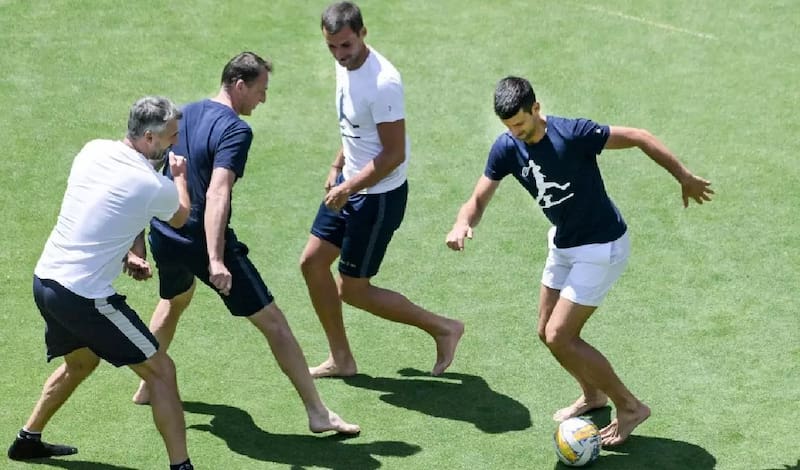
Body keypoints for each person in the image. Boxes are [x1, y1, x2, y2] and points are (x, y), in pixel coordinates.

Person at [446, 76, 714, 446]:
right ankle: (593, 395)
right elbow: (478, 198)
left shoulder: (573, 134)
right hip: (564, 243)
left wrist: (683, 175)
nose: (516, 133)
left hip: (602, 246)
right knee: (546, 332)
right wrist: (463, 222)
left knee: (560, 335)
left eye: (520, 124)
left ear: (536, 109)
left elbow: (639, 136)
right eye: (509, 127)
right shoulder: (507, 147)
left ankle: (631, 407)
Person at [129, 52, 360, 435]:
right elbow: (218, 193)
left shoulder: (183, 114)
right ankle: (318, 413)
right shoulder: (236, 130)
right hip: (201, 239)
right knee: (274, 323)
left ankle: (146, 384)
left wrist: (139, 241)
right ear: (239, 85)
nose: (263, 100)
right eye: (260, 90)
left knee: (175, 299)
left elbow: (149, 173)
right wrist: (217, 258)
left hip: (165, 232)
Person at [8, 97, 195, 469]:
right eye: (171, 137)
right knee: (161, 370)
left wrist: (129, 253)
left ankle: (27, 441)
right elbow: (179, 217)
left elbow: (106, 209)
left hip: (46, 280)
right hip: (83, 297)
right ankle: (182, 466)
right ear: (148, 138)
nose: (175, 143)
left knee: (80, 363)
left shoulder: (93, 150)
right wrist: (179, 178)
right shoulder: (153, 183)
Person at [299, 1, 464, 379]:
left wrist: (348, 187)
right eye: (332, 47)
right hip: (351, 184)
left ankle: (444, 328)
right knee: (311, 263)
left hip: (378, 198)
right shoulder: (344, 66)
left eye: (346, 46)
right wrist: (337, 165)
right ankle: (341, 359)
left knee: (353, 290)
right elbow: (354, 127)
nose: (339, 55)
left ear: (363, 34)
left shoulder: (383, 83)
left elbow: (392, 154)